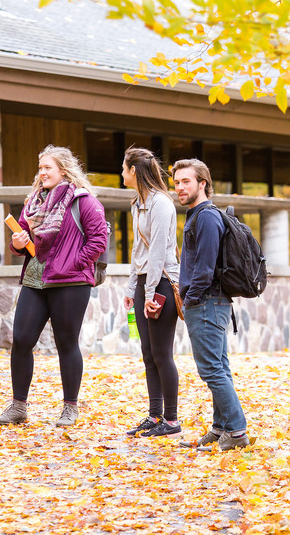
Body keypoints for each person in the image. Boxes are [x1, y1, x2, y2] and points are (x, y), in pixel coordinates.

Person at [0, 146, 108, 427]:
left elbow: (98, 240)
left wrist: (74, 263)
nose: (42, 172)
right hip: (36, 279)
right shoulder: (33, 202)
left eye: (48, 168)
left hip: (70, 281)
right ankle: (19, 406)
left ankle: (70, 407)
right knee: (20, 339)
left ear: (64, 170)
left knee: (66, 343)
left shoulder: (84, 201)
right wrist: (17, 244)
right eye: (40, 167)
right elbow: (21, 238)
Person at [171, 158, 250, 451]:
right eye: (177, 182)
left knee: (212, 371)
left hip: (205, 303)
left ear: (202, 183)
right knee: (219, 367)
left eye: (186, 181)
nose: (180, 187)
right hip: (208, 302)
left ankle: (238, 432)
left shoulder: (205, 217)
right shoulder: (198, 215)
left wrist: (190, 300)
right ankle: (221, 429)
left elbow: (204, 268)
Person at [121, 147, 182, 438]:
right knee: (148, 353)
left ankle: (171, 420)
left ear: (134, 171)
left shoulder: (161, 204)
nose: (122, 173)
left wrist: (148, 294)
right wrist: (132, 288)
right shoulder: (138, 203)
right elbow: (138, 249)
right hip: (146, 283)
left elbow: (158, 252)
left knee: (162, 354)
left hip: (161, 284)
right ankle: (155, 414)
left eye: (124, 168)